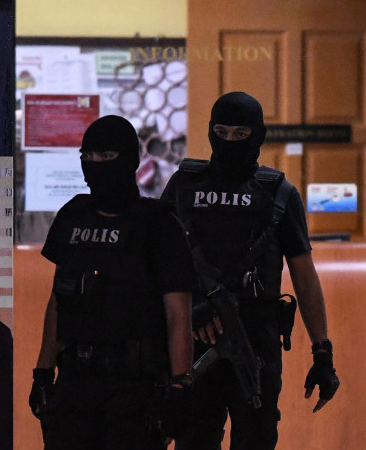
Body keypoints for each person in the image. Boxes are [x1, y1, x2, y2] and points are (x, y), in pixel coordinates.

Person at [161, 91, 340, 450]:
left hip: (255, 342)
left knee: (256, 438)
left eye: (240, 134)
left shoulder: (278, 193)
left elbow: (304, 275)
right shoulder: (183, 187)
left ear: (257, 136)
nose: (229, 140)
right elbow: (158, 263)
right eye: (221, 131)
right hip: (193, 343)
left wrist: (322, 352)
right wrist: (193, 307)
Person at [29, 115, 197, 449]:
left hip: (136, 387)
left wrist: (180, 385)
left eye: (106, 157)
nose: (95, 165)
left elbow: (178, 314)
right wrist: (44, 372)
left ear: (129, 160)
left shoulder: (158, 223)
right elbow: (58, 301)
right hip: (75, 381)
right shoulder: (72, 215)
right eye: (87, 158)